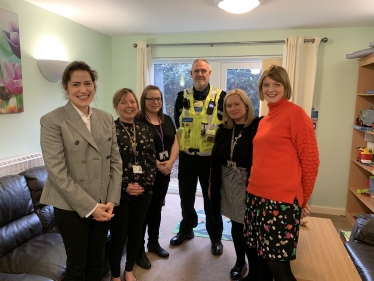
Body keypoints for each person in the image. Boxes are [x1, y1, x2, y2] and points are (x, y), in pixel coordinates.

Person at [39, 61, 122, 281]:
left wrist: (112, 200)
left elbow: (116, 162)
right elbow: (57, 173)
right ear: (66, 87)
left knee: (97, 260)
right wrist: (91, 207)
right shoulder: (52, 120)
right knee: (77, 266)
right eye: (76, 84)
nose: (83, 90)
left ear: (94, 85)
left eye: (87, 83)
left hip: (103, 202)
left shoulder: (105, 118)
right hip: (70, 206)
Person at [243, 65, 320, 281]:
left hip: (281, 202)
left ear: (285, 86)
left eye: (277, 84)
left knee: (277, 265)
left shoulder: (296, 115)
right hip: (256, 196)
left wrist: (301, 201)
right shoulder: (265, 119)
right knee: (259, 257)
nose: (271, 89)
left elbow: (311, 162)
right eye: (266, 85)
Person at [171, 58, 226, 255]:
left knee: (211, 199)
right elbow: (179, 128)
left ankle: (215, 237)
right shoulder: (181, 97)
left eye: (203, 71)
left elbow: (226, 128)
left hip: (210, 159)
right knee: (185, 197)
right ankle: (187, 229)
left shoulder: (221, 97)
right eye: (196, 71)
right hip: (187, 158)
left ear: (209, 73)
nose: (200, 74)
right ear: (191, 74)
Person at [210, 89, 261, 281]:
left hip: (248, 183)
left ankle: (255, 269)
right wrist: (211, 183)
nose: (232, 108)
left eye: (237, 104)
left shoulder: (258, 126)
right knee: (234, 222)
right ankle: (240, 262)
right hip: (226, 181)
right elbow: (215, 160)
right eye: (228, 105)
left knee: (245, 227)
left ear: (247, 105)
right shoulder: (223, 130)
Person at [108, 88, 156, 281]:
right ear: (115, 106)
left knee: (136, 232)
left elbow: (151, 160)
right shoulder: (110, 129)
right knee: (119, 235)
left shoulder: (144, 128)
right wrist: (125, 186)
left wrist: (144, 185)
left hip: (143, 192)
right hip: (119, 192)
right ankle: (115, 275)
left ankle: (129, 270)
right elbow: (107, 163)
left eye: (132, 102)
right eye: (123, 102)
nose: (129, 106)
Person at [136, 85, 179, 269]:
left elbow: (175, 141)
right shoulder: (138, 121)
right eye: (151, 99)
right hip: (145, 174)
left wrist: (170, 163)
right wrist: (156, 163)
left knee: (156, 210)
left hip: (164, 173)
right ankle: (138, 250)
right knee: (143, 213)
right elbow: (138, 146)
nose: (155, 102)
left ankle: (153, 243)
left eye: (158, 99)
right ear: (144, 101)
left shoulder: (166, 119)